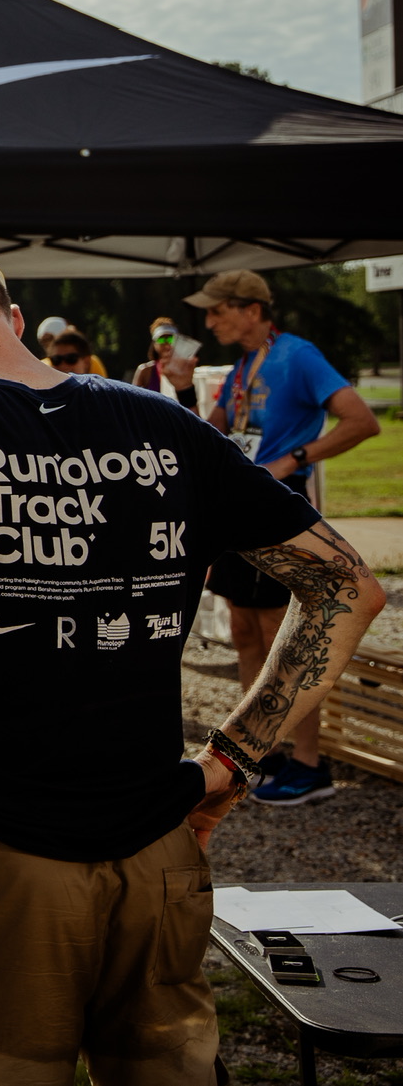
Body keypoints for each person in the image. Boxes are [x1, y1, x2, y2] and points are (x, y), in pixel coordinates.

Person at [0, 241, 383, 1084]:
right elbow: (347, 587)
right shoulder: (165, 421)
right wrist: (236, 755)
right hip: (158, 846)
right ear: (13, 318)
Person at [190, 269, 385, 806]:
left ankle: (309, 764)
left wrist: (292, 460)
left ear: (252, 309)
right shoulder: (242, 365)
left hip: (276, 507)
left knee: (290, 636)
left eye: (217, 309)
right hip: (240, 505)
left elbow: (361, 421)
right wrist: (180, 384)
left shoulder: (297, 355)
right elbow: (213, 431)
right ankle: (261, 749)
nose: (209, 320)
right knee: (246, 632)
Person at [126, 317, 199, 408]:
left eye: (170, 339)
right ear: (154, 344)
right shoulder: (145, 371)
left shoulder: (185, 368)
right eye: (161, 340)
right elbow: (133, 402)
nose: (166, 344)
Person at [35, 316, 107, 376]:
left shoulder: (93, 362)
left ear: (86, 362)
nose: (63, 365)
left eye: (71, 359)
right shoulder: (42, 367)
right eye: (56, 360)